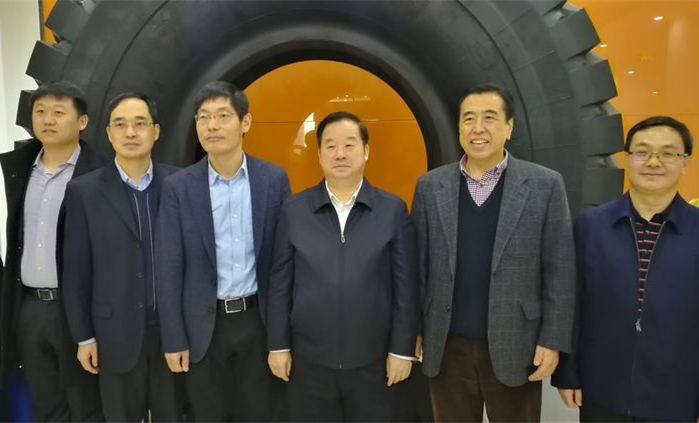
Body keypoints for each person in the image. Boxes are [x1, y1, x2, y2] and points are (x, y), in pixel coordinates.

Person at [412, 82, 576, 422]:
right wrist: (413, 328)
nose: (478, 128)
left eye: (489, 117)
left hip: (517, 344)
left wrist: (553, 340)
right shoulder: (430, 186)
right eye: (468, 118)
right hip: (446, 345)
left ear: (509, 127)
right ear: (459, 127)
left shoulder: (544, 185)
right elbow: (419, 266)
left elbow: (560, 269)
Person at [267, 111, 419, 422]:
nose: (340, 154)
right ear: (319, 153)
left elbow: (406, 287)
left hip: (374, 361)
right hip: (308, 363)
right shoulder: (294, 211)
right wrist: (278, 346)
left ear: (366, 151)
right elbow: (280, 284)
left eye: (349, 145)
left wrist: (401, 350)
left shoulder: (392, 210)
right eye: (330, 145)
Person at [155, 81, 291, 422]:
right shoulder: (178, 187)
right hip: (203, 326)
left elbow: (283, 264)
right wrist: (173, 338)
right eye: (203, 117)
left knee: (261, 414)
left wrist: (281, 338)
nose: (211, 126)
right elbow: (168, 267)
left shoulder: (274, 179)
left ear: (245, 122)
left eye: (222, 116)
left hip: (257, 322)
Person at [552, 116, 699, 422]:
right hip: (603, 388)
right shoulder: (591, 225)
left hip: (677, 394)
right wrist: (568, 372)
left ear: (685, 162)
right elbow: (573, 304)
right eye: (642, 152)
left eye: (668, 153)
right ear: (627, 158)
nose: (653, 162)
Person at [62, 93, 182, 422]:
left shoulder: (179, 184)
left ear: (155, 131)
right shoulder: (84, 191)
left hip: (172, 333)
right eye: (120, 124)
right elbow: (76, 272)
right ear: (109, 133)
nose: (130, 132)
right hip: (113, 334)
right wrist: (84, 336)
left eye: (140, 124)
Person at [0, 81, 105, 421]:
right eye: (40, 111)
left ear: (82, 121)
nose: (47, 120)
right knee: (45, 407)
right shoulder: (20, 169)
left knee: (88, 406)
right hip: (30, 308)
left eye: (59, 112)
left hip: (78, 311)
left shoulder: (101, 174)